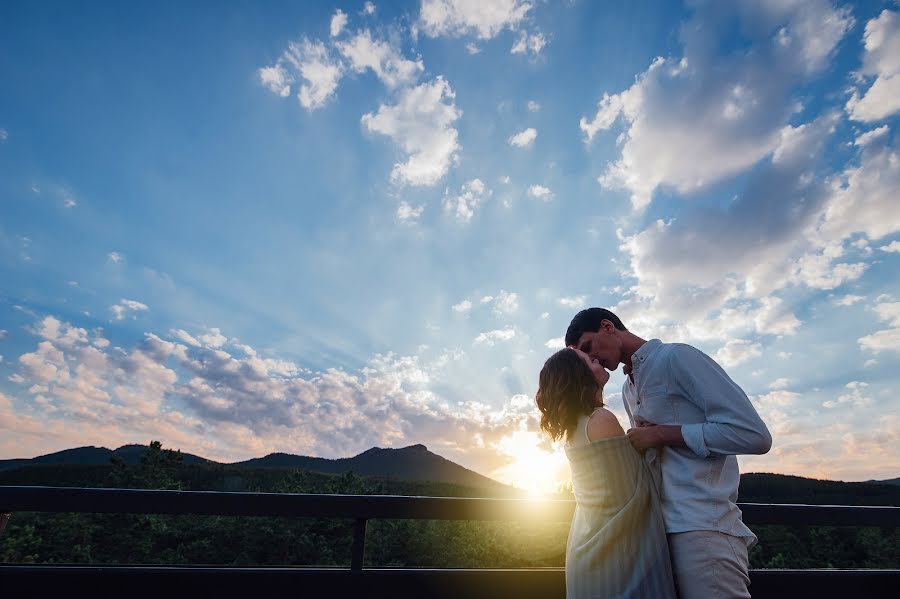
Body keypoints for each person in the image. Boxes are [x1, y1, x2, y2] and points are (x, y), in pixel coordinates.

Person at [565, 308, 772, 599]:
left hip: (701, 527)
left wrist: (661, 434)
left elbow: (754, 434)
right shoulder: (627, 389)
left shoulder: (677, 358)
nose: (593, 360)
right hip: (656, 538)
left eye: (588, 347)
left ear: (608, 326)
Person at [536, 347, 676, 598]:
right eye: (589, 360)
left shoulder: (575, 428)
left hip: (591, 551)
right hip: (616, 560)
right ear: (577, 375)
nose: (597, 359)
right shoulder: (600, 420)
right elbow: (635, 490)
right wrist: (655, 438)